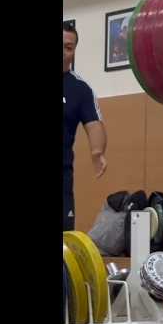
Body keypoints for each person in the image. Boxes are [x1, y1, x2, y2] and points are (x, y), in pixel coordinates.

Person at [63, 22, 108, 232]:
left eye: (68, 47)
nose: (63, 52)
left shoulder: (80, 89)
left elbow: (94, 123)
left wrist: (97, 152)